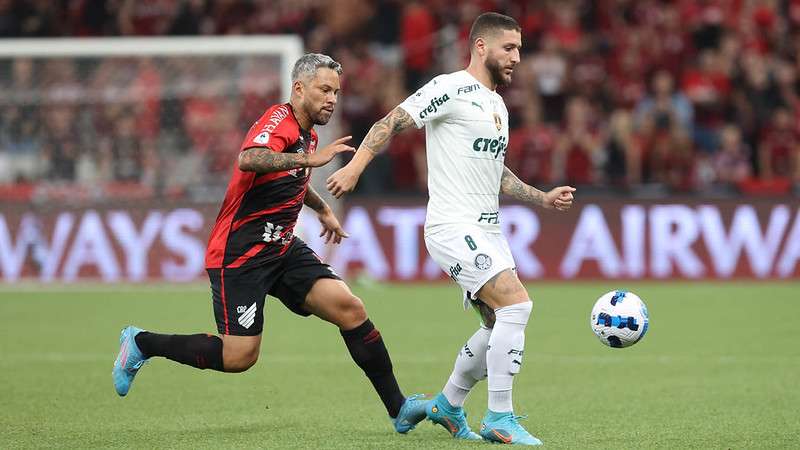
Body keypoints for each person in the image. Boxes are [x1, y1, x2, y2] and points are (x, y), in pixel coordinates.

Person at [112, 53, 429, 434]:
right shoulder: (279, 121)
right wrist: (312, 159)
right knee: (241, 356)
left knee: (349, 307)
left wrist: (323, 208)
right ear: (299, 88)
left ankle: (399, 409)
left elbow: (291, 172)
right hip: (240, 253)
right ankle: (142, 343)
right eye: (324, 89)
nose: (332, 98)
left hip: (281, 247)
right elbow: (250, 159)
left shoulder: (307, 131)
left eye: (336, 92)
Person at [327, 13, 575, 446]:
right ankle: (500, 417)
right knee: (517, 306)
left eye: (519, 48)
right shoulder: (449, 89)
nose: (517, 57)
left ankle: (447, 403)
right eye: (509, 48)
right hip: (452, 224)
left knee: (498, 320)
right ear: (481, 47)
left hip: (487, 228)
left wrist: (542, 197)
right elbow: (388, 124)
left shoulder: (496, 104)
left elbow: (498, 174)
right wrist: (354, 169)